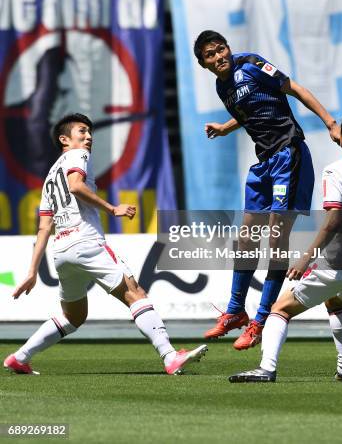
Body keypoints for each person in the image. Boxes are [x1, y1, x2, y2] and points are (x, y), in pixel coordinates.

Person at [3, 113, 207, 375]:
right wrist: (113, 209)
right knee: (136, 293)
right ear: (65, 140)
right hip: (86, 241)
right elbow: (76, 186)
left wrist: (32, 271)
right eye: (82, 132)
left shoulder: (48, 180)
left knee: (73, 316)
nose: (88, 137)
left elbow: (44, 227)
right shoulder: (77, 156)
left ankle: (20, 357)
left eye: (90, 133)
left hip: (62, 251)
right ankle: (169, 356)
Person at [193, 30, 340, 351]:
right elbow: (249, 113)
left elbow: (294, 88)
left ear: (228, 48)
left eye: (221, 50)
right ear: (204, 65)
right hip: (264, 164)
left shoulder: (252, 64)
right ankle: (235, 310)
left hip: (289, 154)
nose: (219, 57)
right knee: (246, 237)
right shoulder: (223, 86)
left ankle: (260, 319)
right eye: (210, 55)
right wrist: (225, 126)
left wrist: (330, 122)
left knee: (275, 236)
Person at [229, 109, 342, 382]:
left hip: (336, 263)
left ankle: (266, 369)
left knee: (280, 309)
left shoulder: (335, 170)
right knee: (334, 299)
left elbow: (332, 221)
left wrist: (306, 259)